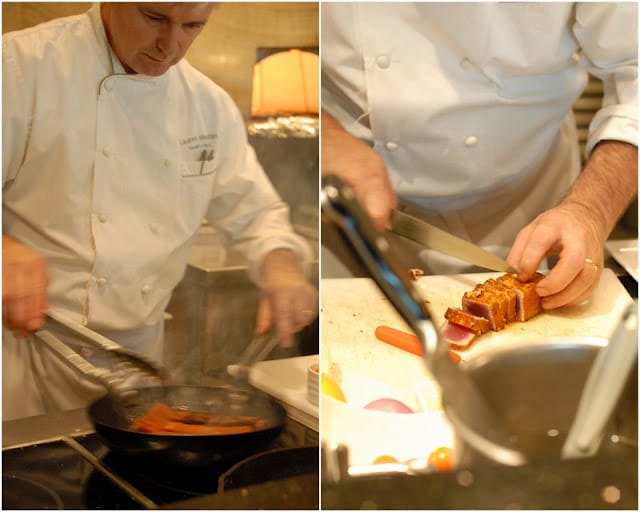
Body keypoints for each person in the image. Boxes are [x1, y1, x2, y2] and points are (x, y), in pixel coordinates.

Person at [2, 3, 318, 420]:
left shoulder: (207, 105)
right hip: (23, 357)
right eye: (154, 18)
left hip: (138, 364)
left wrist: (281, 266)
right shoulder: (20, 68)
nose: (170, 46)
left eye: (193, 26)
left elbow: (256, 212)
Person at [321, 2, 637, 310]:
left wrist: (590, 209)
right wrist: (326, 134)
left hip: (533, 207)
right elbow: (275, 42)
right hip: (353, 211)